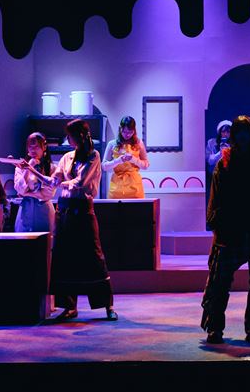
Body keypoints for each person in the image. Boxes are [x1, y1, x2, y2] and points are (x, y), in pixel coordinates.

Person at [200, 115, 250, 344]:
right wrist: (215, 222)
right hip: (230, 229)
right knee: (220, 281)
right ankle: (215, 327)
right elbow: (216, 195)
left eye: (247, 131)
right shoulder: (224, 162)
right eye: (239, 131)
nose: (243, 136)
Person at [50, 118, 117, 321]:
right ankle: (69, 306)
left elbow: (80, 182)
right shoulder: (67, 157)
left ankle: (107, 305)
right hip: (64, 209)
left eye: (69, 136)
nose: (67, 139)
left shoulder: (93, 155)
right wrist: (47, 177)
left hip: (83, 209)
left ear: (79, 136)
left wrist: (61, 183)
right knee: (64, 257)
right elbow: (56, 176)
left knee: (94, 256)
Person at [13, 132, 56, 233]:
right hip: (25, 210)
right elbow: (20, 189)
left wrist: (27, 193)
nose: (33, 150)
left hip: (44, 210)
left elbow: (48, 194)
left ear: (44, 147)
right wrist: (29, 167)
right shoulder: (19, 168)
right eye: (30, 147)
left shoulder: (52, 168)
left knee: (45, 240)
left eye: (36, 146)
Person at [102, 115, 149, 199]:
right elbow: (104, 166)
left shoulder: (139, 143)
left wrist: (134, 160)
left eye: (130, 132)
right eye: (125, 132)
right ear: (120, 129)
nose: (127, 135)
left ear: (134, 130)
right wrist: (118, 161)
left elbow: (145, 165)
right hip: (116, 188)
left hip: (135, 188)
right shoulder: (112, 144)